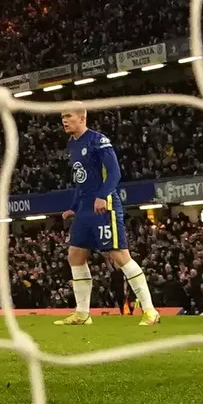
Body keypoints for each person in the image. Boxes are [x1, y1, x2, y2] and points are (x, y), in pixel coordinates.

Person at [54, 107, 159, 327]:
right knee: (75, 255)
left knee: (120, 256)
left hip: (104, 206)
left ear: (82, 118)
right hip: (84, 208)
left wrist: (102, 196)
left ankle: (150, 311)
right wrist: (74, 207)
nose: (64, 121)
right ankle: (82, 313)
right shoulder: (73, 144)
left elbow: (115, 173)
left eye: (68, 117)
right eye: (62, 117)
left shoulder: (98, 141)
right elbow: (80, 180)